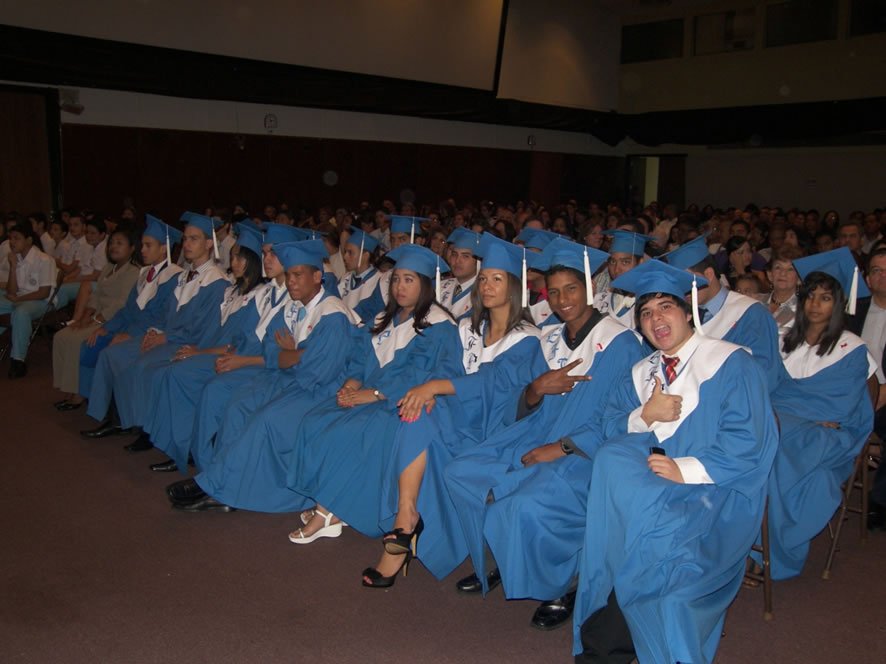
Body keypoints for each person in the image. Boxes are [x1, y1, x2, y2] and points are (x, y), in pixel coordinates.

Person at [572, 260, 778, 664]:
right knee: (620, 480)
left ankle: (609, 640)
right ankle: (609, 633)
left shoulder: (731, 362)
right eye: (646, 312)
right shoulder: (640, 373)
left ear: (688, 312)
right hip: (653, 491)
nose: (656, 319)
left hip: (714, 494)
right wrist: (645, 415)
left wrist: (686, 468)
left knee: (651, 534)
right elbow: (610, 425)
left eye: (666, 307)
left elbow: (749, 442)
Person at [446, 236, 645, 630]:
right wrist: (536, 389)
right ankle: (504, 557)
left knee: (526, 502)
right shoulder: (549, 337)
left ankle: (566, 583)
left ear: (590, 289)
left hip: (585, 451)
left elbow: (623, 418)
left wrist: (564, 446)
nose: (562, 299)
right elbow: (521, 401)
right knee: (461, 472)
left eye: (571, 289)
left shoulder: (620, 343)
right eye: (553, 292)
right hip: (533, 433)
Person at [365, 233, 543, 587]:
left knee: (421, 411)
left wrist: (435, 388)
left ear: (513, 287)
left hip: (497, 430)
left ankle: (404, 532)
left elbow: (494, 384)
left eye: (497, 279)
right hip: (460, 415)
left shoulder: (527, 339)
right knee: (416, 412)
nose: (487, 286)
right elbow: (447, 367)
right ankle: (405, 519)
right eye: (483, 278)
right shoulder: (467, 328)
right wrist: (432, 389)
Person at [285, 244, 462, 562]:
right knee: (318, 419)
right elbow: (359, 360)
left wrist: (375, 394)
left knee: (353, 430)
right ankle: (329, 500)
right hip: (372, 395)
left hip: (404, 403)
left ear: (425, 284)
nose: (400, 287)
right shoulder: (384, 318)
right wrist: (350, 386)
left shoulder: (439, 325)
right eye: (396, 280)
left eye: (409, 280)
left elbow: (423, 375)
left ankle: (328, 512)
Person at [166, 239, 360, 512]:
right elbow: (270, 350)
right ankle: (219, 481)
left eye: (298, 275)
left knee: (266, 418)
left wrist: (292, 354)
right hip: (290, 379)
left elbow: (317, 371)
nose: (291, 282)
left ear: (318, 276)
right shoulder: (293, 306)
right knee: (238, 404)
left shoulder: (333, 315)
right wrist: (297, 354)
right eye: (289, 275)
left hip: (320, 391)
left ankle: (222, 488)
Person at [760, 247, 877, 579]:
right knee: (762, 437)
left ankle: (769, 551)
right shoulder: (784, 339)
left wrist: (800, 417)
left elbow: (839, 406)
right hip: (788, 424)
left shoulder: (851, 348)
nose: (814, 304)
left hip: (830, 433)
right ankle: (752, 542)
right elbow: (769, 388)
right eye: (810, 295)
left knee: (775, 444)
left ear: (839, 303)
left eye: (825, 298)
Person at [81, 213, 227, 448]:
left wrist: (165, 337)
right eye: (186, 238)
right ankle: (131, 422)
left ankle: (145, 429)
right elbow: (167, 316)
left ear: (209, 243)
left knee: (142, 365)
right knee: (126, 358)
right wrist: (156, 332)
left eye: (194, 239)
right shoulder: (186, 276)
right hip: (169, 337)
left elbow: (201, 329)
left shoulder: (217, 282)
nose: (187, 244)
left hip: (189, 343)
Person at [136, 225, 266, 472]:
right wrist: (194, 348)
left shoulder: (260, 296)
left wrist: (198, 352)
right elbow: (211, 334)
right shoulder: (231, 291)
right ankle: (172, 443)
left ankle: (184, 448)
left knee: (179, 373)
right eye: (233, 257)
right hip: (212, 351)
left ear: (254, 261)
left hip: (231, 357)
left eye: (240, 258)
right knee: (171, 367)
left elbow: (239, 344)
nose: (234, 263)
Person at [77, 216, 184, 429]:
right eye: (142, 245)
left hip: (151, 332)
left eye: (148, 245)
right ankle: (100, 406)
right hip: (131, 328)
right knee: (90, 343)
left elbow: (162, 318)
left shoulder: (174, 278)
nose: (142, 250)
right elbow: (127, 310)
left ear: (164, 249)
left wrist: (130, 335)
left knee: (111, 354)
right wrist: (106, 328)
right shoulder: (145, 274)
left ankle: (117, 419)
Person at [662, 234, 782, 391]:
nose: (682, 289)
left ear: (709, 275)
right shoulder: (682, 315)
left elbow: (764, 374)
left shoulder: (751, 314)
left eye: (686, 281)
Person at [52, 225, 141, 409]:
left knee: (76, 340)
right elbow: (96, 295)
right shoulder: (109, 267)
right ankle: (67, 386)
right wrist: (84, 317)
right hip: (97, 316)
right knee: (61, 336)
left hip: (113, 320)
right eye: (112, 243)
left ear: (132, 248)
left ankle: (78, 393)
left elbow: (121, 304)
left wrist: (94, 320)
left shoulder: (134, 271)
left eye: (120, 243)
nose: (113, 247)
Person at [0, 224, 57, 378]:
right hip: (20, 297)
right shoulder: (16, 258)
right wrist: (13, 267)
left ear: (29, 240)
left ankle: (18, 360)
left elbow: (44, 293)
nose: (12, 242)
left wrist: (19, 299)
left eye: (16, 238)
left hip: (42, 301)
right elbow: (12, 291)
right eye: (10, 238)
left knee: (21, 312)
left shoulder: (44, 259)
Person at [593, 229, 654, 328]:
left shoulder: (649, 301)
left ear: (640, 263)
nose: (617, 269)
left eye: (625, 262)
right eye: (613, 262)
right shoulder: (599, 298)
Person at [336, 226, 385, 323]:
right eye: (345, 252)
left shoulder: (380, 281)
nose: (345, 257)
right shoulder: (344, 278)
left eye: (350, 253)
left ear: (365, 255)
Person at [762, 245, 805, 340]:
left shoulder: (803, 310)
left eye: (790, 269)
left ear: (799, 278)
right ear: (770, 274)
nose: (783, 273)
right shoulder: (755, 301)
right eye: (778, 267)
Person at [437, 228, 480, 320]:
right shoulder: (440, 286)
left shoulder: (483, 294)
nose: (457, 261)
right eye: (454, 254)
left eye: (465, 256)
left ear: (478, 261)